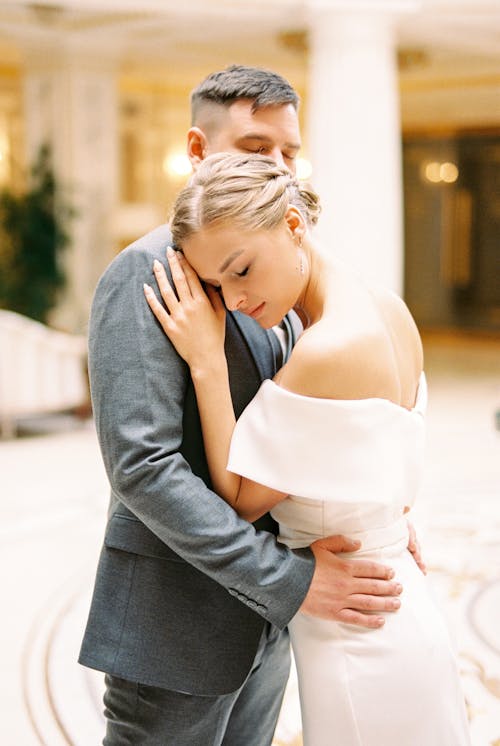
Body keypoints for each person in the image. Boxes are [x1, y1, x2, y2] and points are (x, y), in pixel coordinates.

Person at [79, 65, 417, 746]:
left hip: (269, 627)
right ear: (198, 151)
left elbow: (305, 431)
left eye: (289, 153)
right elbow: (145, 468)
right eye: (258, 149)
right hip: (177, 632)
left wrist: (371, 505)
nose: (281, 169)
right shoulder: (146, 274)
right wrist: (288, 581)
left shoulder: (279, 273)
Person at [144, 152, 471, 746]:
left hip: (360, 641)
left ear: (294, 225)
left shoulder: (327, 349)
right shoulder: (387, 308)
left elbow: (240, 500)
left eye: (241, 270)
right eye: (217, 287)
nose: (234, 301)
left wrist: (207, 361)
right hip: (394, 610)